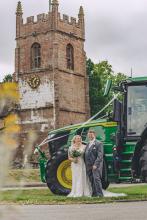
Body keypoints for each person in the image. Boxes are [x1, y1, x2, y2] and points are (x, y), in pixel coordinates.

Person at [84, 129, 104, 197]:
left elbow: (100, 155)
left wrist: (96, 164)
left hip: (95, 165)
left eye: (91, 134)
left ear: (94, 134)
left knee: (96, 179)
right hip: (88, 165)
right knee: (91, 180)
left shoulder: (99, 143)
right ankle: (94, 194)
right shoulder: (87, 144)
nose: (90, 135)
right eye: (89, 134)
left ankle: (100, 195)